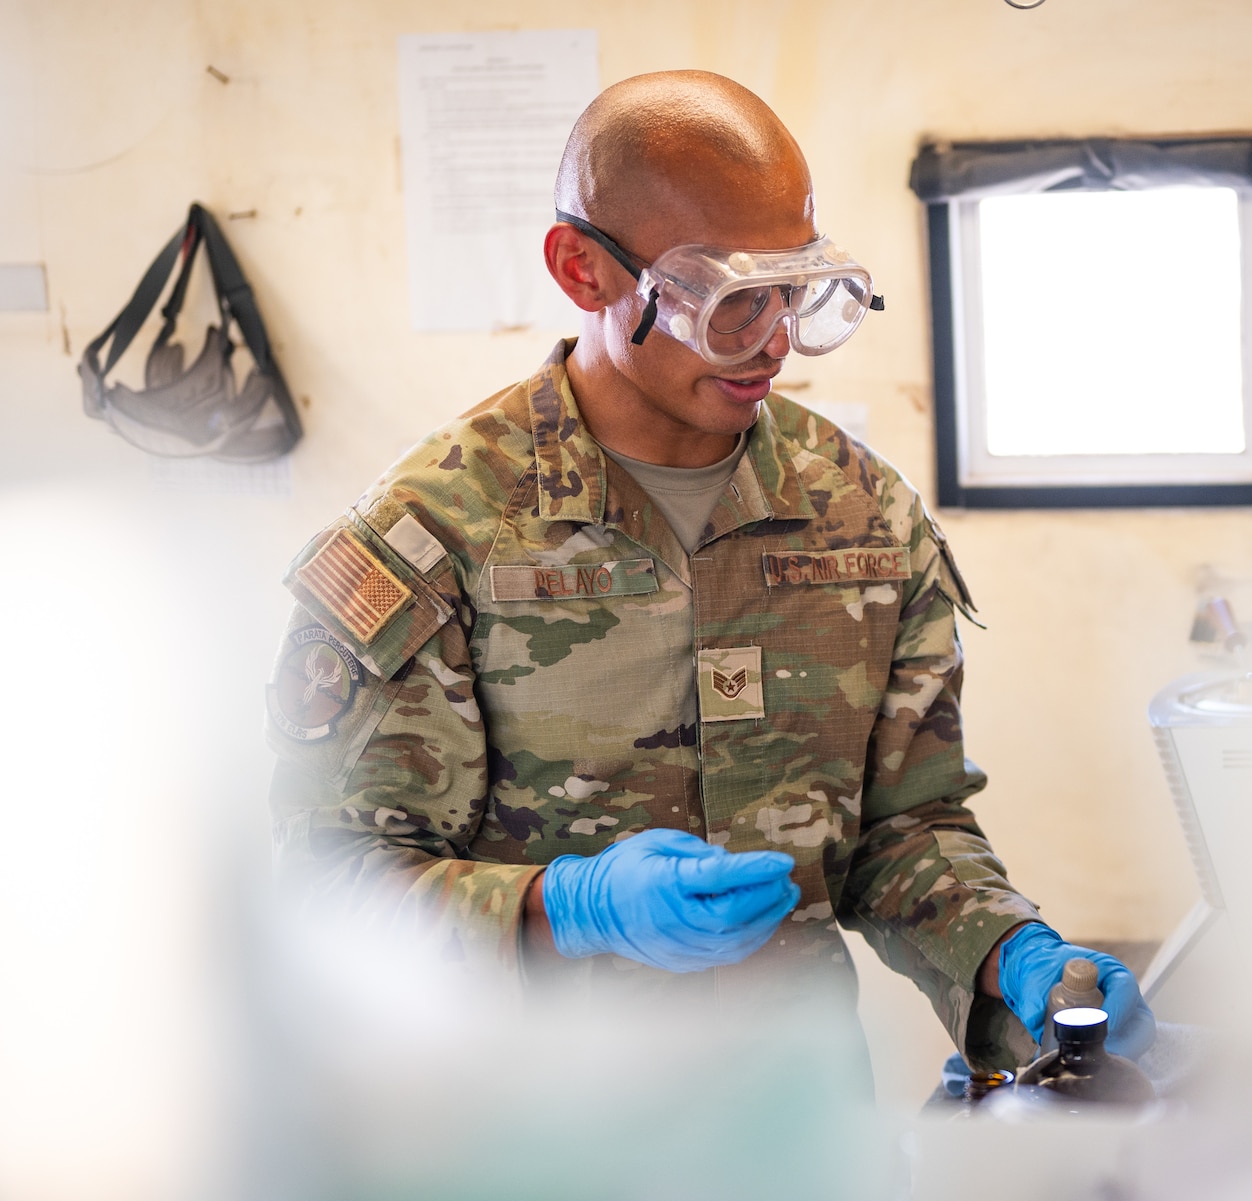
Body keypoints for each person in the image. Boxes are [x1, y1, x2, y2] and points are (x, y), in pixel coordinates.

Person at [265, 70, 1152, 1077]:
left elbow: (901, 827)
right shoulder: (437, 537)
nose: (773, 341)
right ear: (581, 270)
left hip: (790, 1120)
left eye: (795, 292)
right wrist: (566, 909)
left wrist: (1009, 955)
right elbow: (324, 895)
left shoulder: (859, 516)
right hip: (520, 1147)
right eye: (727, 301)